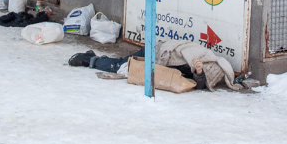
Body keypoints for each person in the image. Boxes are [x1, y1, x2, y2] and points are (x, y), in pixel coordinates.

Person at [68, 48, 207, 90]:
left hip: (157, 60)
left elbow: (199, 84)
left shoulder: (201, 70)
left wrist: (199, 71)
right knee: (121, 66)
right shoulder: (195, 55)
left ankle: (95, 59)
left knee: (121, 65)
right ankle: (90, 60)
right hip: (155, 52)